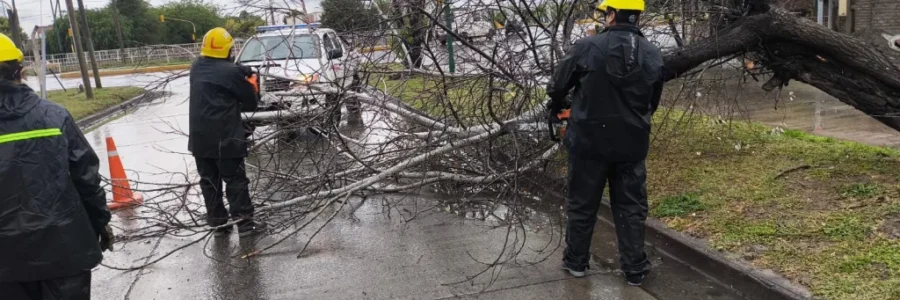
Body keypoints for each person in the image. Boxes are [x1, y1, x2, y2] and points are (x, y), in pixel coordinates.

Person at [545, 0, 664, 286]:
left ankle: (576, 262)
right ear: (637, 17)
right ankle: (634, 269)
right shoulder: (652, 54)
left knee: (582, 203)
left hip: (588, 143)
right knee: (631, 207)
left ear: (611, 15)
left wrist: (562, 104)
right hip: (631, 144)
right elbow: (653, 103)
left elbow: (557, 86)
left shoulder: (587, 47)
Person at [0, 32, 114, 299]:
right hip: (64, 248)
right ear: (21, 70)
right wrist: (100, 222)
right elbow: (86, 178)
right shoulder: (54, 116)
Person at [189, 27, 267, 237]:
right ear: (227, 50)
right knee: (235, 181)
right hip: (226, 138)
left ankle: (218, 225)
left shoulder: (196, 67)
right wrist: (252, 84)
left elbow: (220, 72)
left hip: (200, 140)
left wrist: (239, 70)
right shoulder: (231, 73)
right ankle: (245, 225)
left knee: (209, 182)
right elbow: (251, 103)